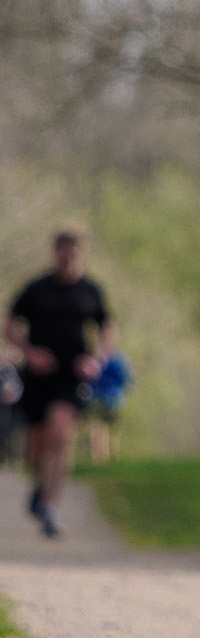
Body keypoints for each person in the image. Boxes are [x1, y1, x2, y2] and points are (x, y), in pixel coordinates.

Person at [4, 229, 114, 538]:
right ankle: (41, 485)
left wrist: (97, 359)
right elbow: (9, 322)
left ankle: (50, 508)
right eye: (62, 252)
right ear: (54, 252)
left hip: (72, 376)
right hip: (38, 376)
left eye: (73, 252)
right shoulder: (37, 288)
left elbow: (107, 327)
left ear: (81, 253)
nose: (67, 258)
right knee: (38, 443)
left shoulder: (89, 290)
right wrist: (29, 352)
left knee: (61, 432)